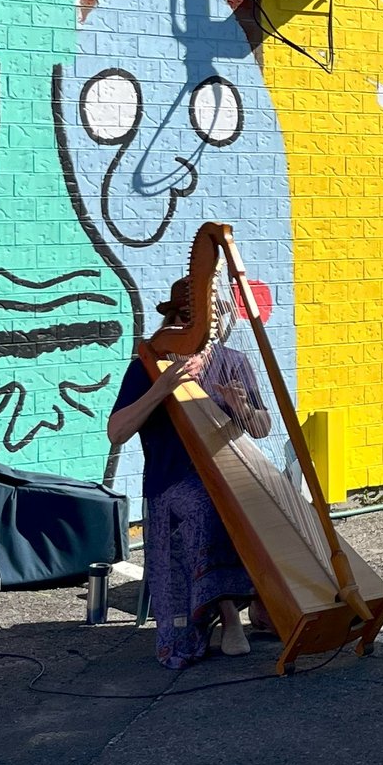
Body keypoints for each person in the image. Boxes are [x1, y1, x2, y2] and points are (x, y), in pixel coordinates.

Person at [108, 241, 274, 667]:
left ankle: (262, 601)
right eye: (183, 319)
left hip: (228, 472)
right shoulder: (147, 367)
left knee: (265, 501)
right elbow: (117, 432)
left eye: (201, 321)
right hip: (170, 483)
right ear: (172, 321)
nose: (191, 328)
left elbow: (262, 427)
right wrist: (160, 390)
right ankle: (227, 615)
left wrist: (240, 406)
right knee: (205, 506)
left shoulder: (233, 363)